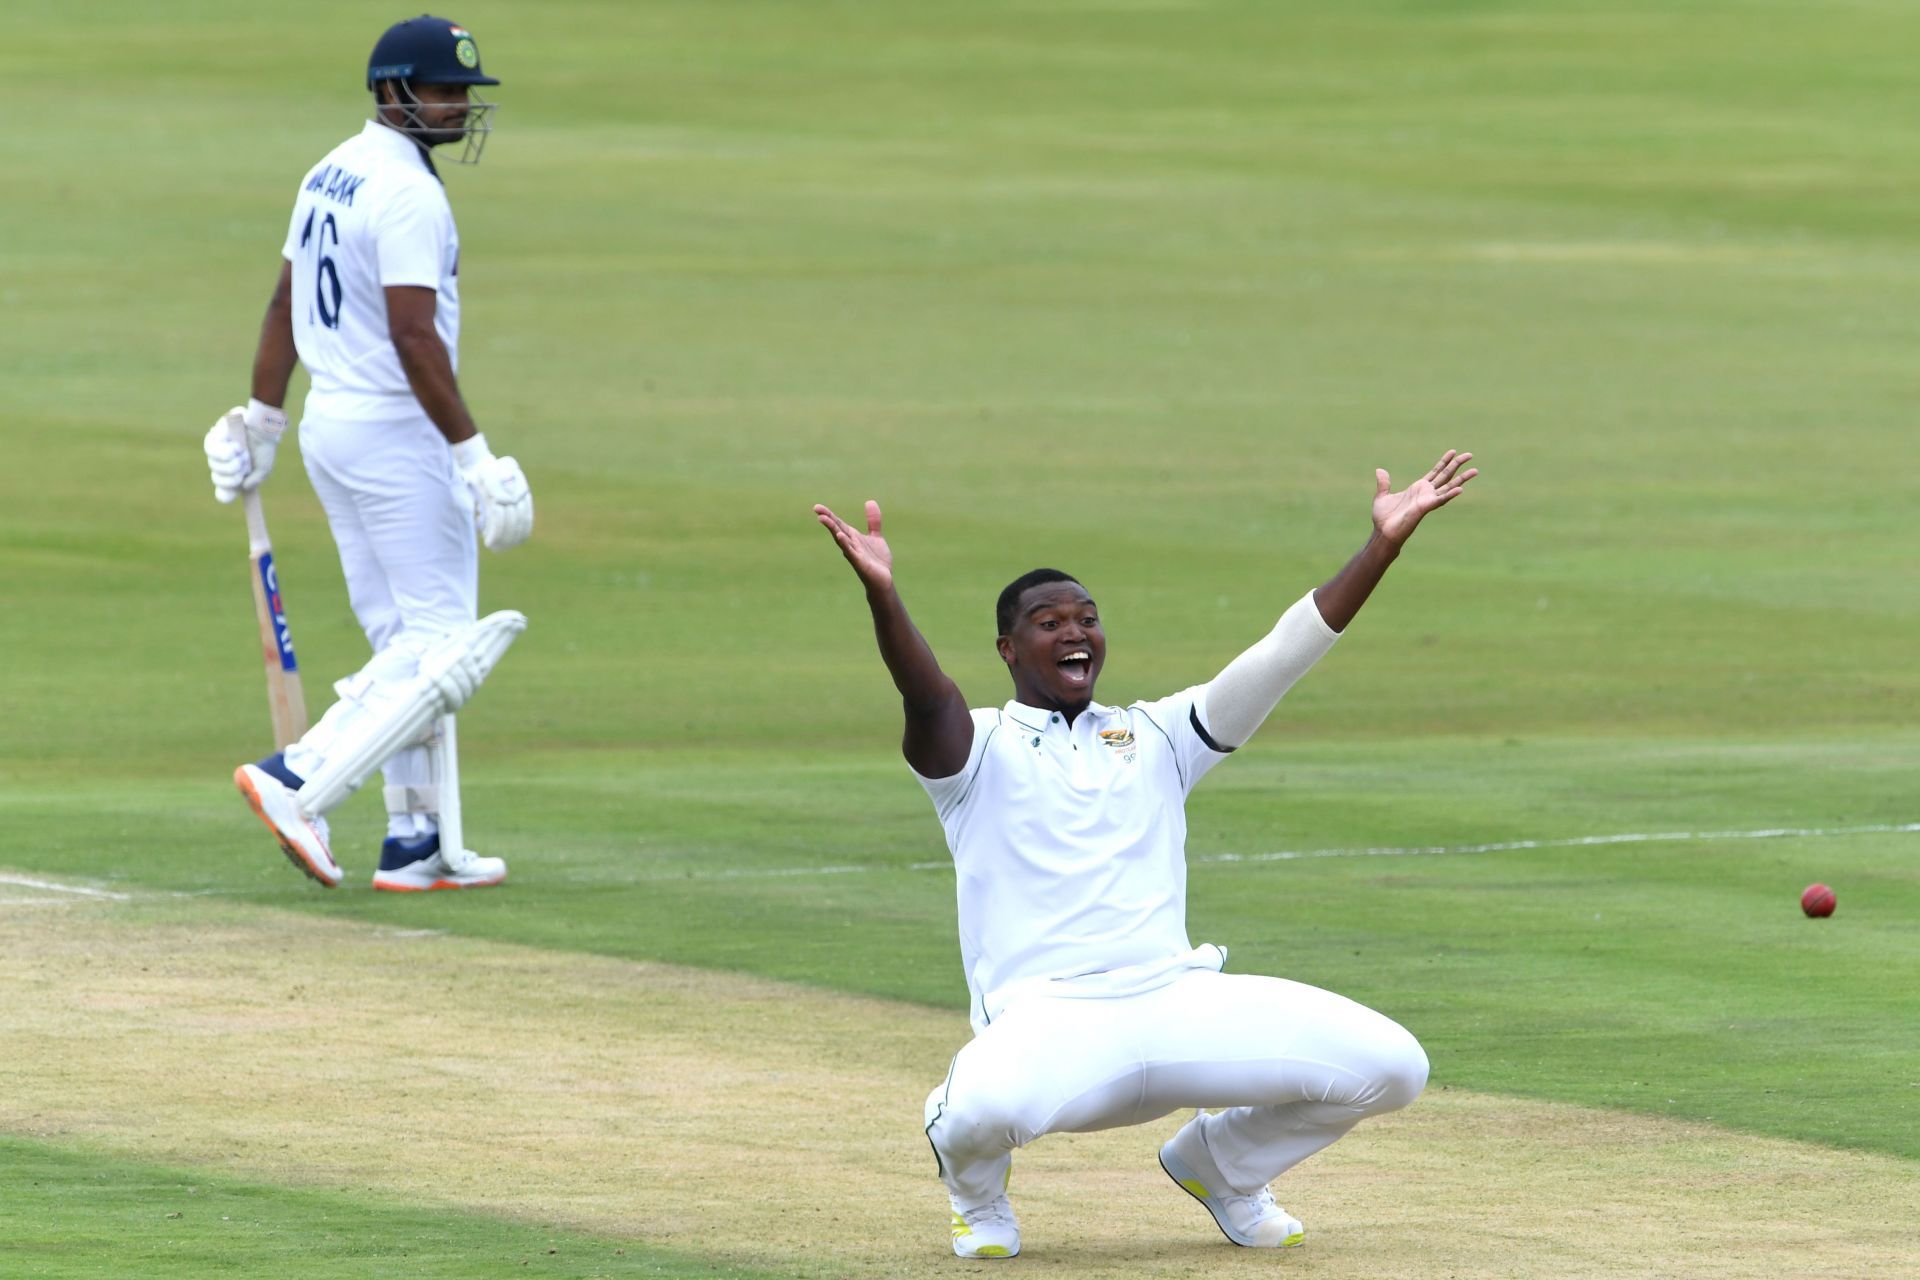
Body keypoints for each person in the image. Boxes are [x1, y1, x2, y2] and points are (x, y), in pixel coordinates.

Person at [812, 449, 1478, 1259]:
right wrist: (884, 595)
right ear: (1008, 650)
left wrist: (1381, 546)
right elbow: (926, 695)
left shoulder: (1160, 734)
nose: (1075, 631)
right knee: (981, 1112)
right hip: (1051, 1022)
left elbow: (1278, 659)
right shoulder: (977, 750)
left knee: (1393, 1068)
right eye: (1049, 622)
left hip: (1177, 1000)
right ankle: (977, 1197)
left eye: (1086, 617)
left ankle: (1219, 1163)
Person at [203, 15, 533, 892]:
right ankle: (297, 777)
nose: (459, 106)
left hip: (331, 430)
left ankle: (417, 838)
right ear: (392, 92)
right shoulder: (408, 193)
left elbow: (284, 304)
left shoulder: (330, 168)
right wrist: (475, 459)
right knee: (441, 646)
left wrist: (263, 424)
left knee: (403, 641)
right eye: (442, 89)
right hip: (397, 435)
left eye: (465, 91)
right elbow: (414, 335)